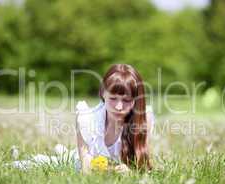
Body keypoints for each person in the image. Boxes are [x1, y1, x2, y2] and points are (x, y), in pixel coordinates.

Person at [10, 64, 155, 173]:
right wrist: (112, 170)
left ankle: (63, 150)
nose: (118, 106)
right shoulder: (86, 119)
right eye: (113, 98)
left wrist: (130, 171)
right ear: (102, 93)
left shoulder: (143, 118)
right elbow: (85, 168)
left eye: (126, 100)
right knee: (52, 163)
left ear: (136, 99)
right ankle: (64, 153)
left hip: (113, 166)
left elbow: (142, 163)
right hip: (83, 161)